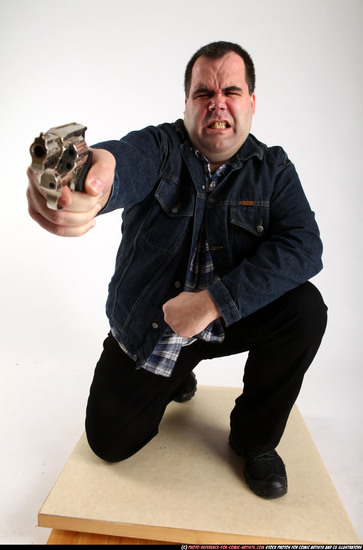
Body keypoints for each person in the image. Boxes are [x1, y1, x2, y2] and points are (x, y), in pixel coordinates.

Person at [27, 41, 327, 499]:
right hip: (155, 331)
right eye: (203, 93)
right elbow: (122, 162)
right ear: (186, 103)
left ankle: (255, 440)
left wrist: (212, 303)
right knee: (108, 443)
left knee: (305, 308)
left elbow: (305, 246)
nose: (217, 103)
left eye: (231, 90)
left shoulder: (274, 169)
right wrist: (94, 180)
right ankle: (177, 373)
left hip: (224, 321)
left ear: (251, 103)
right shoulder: (161, 148)